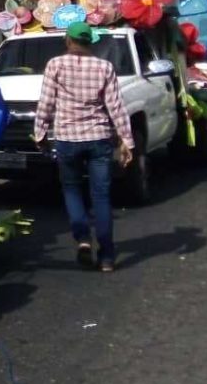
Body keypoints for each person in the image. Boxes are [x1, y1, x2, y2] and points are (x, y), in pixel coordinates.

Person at [33, 20, 134, 272]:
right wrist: (126, 141)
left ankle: (82, 239)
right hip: (99, 138)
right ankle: (108, 257)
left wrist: (40, 134)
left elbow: (46, 104)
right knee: (101, 195)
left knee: (72, 189)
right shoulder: (104, 67)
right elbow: (116, 107)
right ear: (91, 43)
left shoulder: (55, 65)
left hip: (67, 138)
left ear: (68, 40)